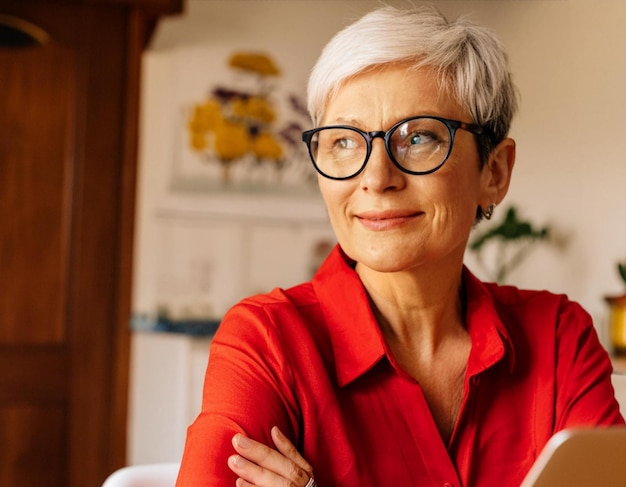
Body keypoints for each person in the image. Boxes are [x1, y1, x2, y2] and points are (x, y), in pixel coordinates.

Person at [176, 6, 625, 487]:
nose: (376, 178)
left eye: (419, 138)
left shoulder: (557, 338)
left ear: (494, 172)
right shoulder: (266, 342)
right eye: (344, 142)